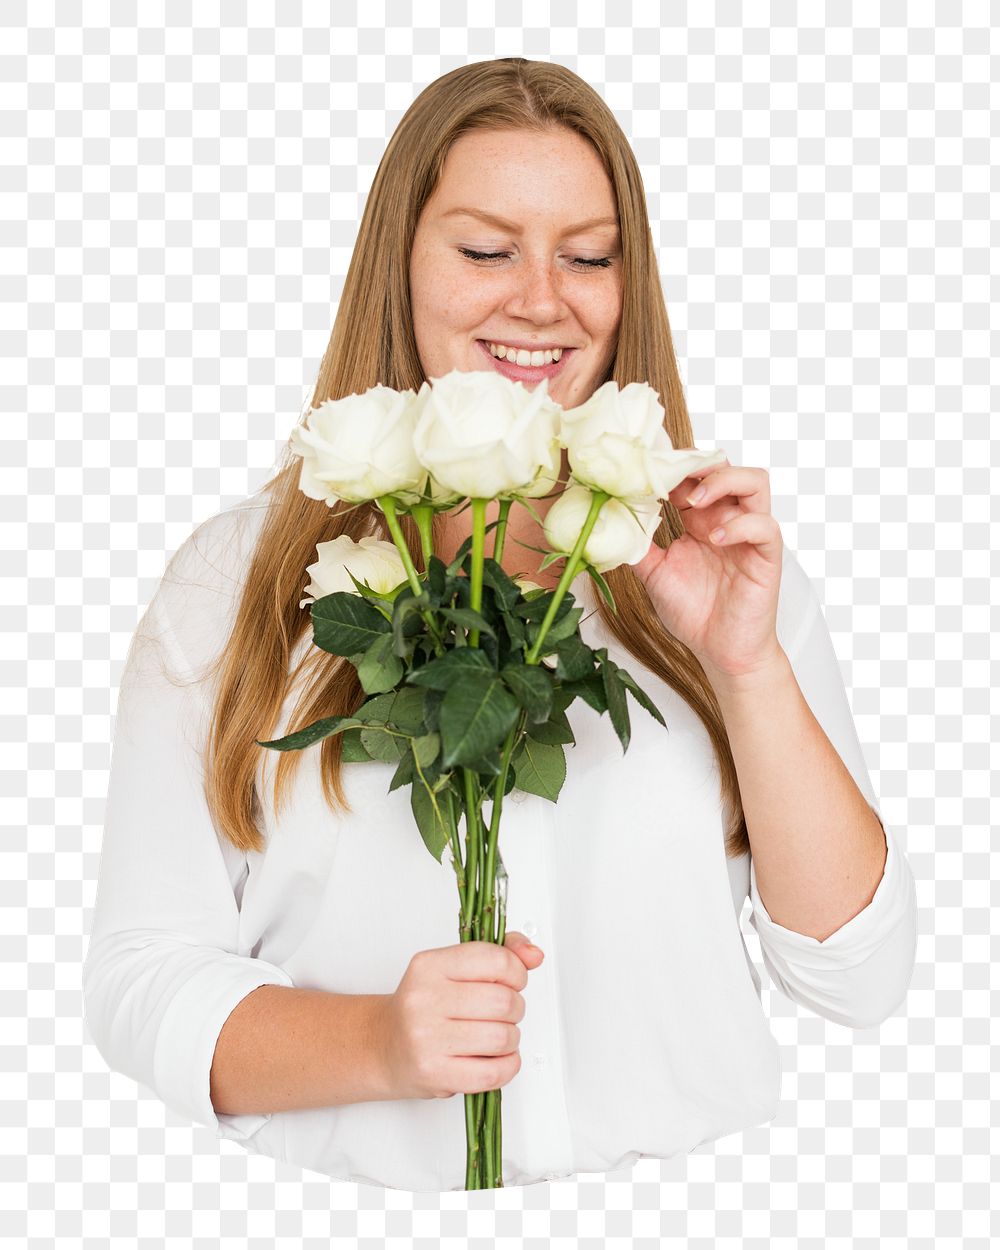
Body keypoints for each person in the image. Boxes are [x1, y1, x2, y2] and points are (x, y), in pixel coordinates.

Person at [82, 58, 918, 1192]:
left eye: (587, 255)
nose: (540, 299)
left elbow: (857, 979)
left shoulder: (713, 572)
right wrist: (378, 1043)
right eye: (485, 250)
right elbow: (141, 978)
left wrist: (749, 663)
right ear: (401, 267)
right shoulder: (234, 584)